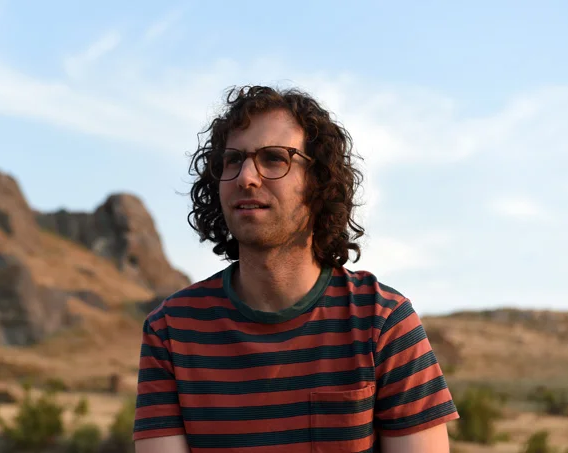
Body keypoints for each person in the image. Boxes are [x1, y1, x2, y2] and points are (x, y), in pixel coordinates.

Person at [133, 85, 459, 453]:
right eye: (233, 160)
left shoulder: (381, 322)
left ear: (318, 184)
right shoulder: (171, 330)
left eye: (274, 158)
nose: (245, 177)